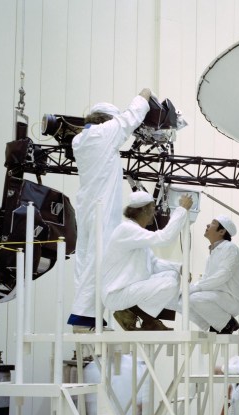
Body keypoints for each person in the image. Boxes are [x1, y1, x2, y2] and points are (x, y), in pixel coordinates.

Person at [67, 88, 153, 332]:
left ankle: (90, 316)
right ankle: (84, 319)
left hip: (88, 207)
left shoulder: (81, 139)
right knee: (99, 257)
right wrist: (144, 96)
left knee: (86, 259)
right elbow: (129, 118)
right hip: (101, 208)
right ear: (107, 120)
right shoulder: (104, 133)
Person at [103, 190, 193, 331]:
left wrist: (180, 268)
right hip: (117, 293)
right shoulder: (126, 229)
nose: (155, 212)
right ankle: (138, 316)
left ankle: (142, 318)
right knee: (169, 282)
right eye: (152, 208)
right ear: (144, 209)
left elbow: (153, 263)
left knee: (172, 275)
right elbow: (165, 238)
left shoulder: (135, 232)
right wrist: (181, 210)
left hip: (128, 291)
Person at [188, 215, 239, 334]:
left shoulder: (230, 248)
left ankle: (228, 324)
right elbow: (207, 278)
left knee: (193, 297)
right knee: (181, 299)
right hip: (216, 296)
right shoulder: (212, 254)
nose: (207, 225)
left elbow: (223, 275)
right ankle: (216, 324)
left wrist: (196, 287)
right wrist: (190, 288)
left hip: (230, 298)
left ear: (222, 231)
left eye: (212, 223)